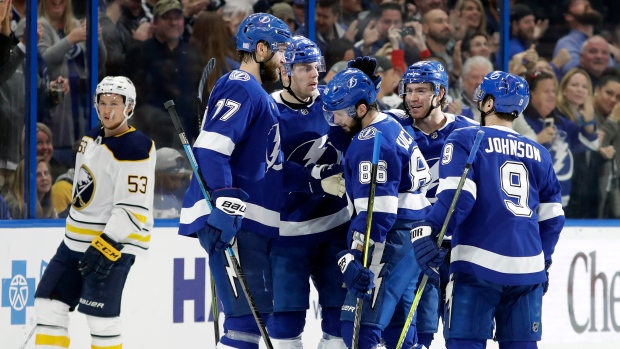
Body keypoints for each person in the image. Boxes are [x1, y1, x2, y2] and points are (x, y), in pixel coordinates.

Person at [410, 71, 565, 349]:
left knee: (465, 343)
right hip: (528, 268)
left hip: (476, 265)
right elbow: (553, 218)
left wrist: (429, 231)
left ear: (490, 104)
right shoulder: (539, 152)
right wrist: (544, 261)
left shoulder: (466, 139)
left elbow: (457, 199)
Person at [178, 13, 291, 349]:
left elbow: (267, 163)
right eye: (281, 50)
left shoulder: (258, 95)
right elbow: (212, 148)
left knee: (256, 321)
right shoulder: (240, 85)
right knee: (244, 327)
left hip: (252, 224)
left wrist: (315, 178)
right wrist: (225, 205)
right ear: (260, 49)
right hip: (236, 221)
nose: (286, 60)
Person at [33, 76, 155, 349]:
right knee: (48, 304)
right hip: (73, 243)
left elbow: (133, 208)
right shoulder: (91, 137)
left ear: (129, 107)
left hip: (110, 246)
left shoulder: (136, 148)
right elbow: (84, 190)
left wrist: (107, 242)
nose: (107, 109)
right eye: (102, 103)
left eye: (115, 103)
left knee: (101, 320)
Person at [323, 59, 431, 349]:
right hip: (413, 236)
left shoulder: (370, 143)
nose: (336, 121)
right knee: (398, 329)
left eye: (340, 114)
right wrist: (360, 80)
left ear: (360, 109)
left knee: (358, 328)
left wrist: (358, 255)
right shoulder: (387, 124)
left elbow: (377, 213)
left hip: (392, 238)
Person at [268, 35, 350, 349]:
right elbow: (268, 169)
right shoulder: (268, 110)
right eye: (304, 67)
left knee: (339, 321)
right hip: (288, 233)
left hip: (335, 229)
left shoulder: (334, 101)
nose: (314, 73)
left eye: (316, 66)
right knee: (286, 325)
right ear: (285, 72)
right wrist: (315, 180)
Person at [396, 60, 478, 348]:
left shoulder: (470, 132)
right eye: (409, 90)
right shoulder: (395, 127)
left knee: (461, 332)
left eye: (422, 90)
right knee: (420, 333)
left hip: (458, 246)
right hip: (416, 244)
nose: (413, 97)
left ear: (440, 93)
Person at [153, 147, 186, 219]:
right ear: (157, 174)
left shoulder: (174, 202)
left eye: (181, 179)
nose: (178, 185)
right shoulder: (140, 200)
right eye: (174, 178)